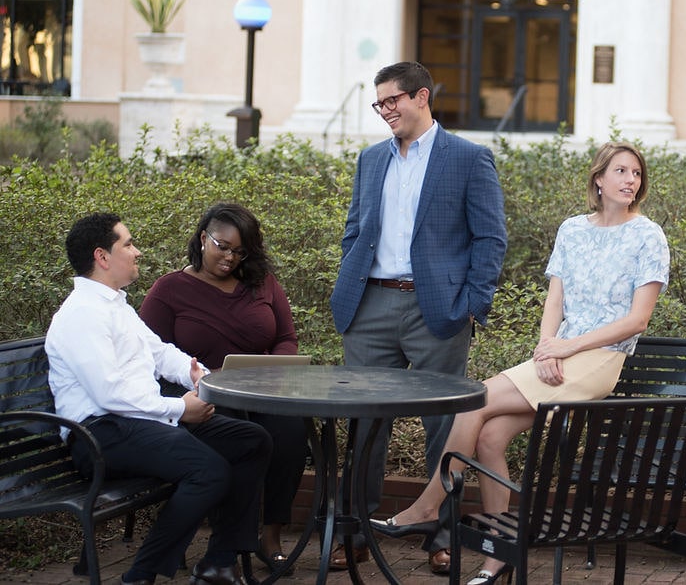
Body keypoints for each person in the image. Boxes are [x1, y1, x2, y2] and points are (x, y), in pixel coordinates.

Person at [368, 141, 670, 585]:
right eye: (621, 171)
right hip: (560, 354)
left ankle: (429, 505)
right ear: (598, 179)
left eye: (637, 174)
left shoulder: (648, 234)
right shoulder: (572, 229)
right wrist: (546, 345)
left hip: (601, 359)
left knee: (473, 401)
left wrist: (566, 349)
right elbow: (555, 299)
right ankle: (499, 556)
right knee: (490, 436)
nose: (631, 180)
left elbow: (637, 319)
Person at [328, 61, 507, 574]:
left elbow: (490, 239)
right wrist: (351, 278)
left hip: (438, 311)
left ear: (421, 96)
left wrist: (472, 304)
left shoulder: (469, 159)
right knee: (365, 426)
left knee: (443, 427)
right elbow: (355, 229)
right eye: (379, 103)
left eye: (392, 101)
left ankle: (440, 537)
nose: (385, 111)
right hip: (370, 306)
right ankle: (355, 533)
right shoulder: (370, 160)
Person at [45, 213, 273, 585]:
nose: (137, 252)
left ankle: (218, 562)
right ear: (103, 257)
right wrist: (180, 408)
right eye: (129, 245)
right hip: (101, 436)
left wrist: (196, 373)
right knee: (208, 471)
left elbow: (159, 351)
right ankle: (139, 575)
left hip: (138, 424)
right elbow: (110, 394)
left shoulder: (115, 304)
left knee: (250, 440)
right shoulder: (81, 315)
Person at [138, 202, 306, 572]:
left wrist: (276, 369)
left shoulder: (261, 282)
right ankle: (228, 547)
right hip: (204, 398)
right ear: (202, 238)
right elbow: (147, 355)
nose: (230, 258)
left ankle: (271, 534)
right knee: (236, 432)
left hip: (264, 392)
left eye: (240, 251)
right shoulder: (169, 289)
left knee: (292, 430)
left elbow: (286, 338)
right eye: (223, 246)